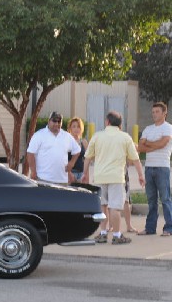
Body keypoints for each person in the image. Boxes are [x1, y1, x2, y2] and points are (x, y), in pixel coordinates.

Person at [82, 111, 145, 244]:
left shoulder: (97, 136)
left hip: (100, 177)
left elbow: (87, 157)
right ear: (120, 124)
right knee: (115, 207)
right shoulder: (125, 137)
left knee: (103, 206)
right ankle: (116, 235)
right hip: (117, 177)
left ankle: (103, 233)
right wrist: (140, 175)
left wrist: (84, 174)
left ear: (107, 122)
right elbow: (135, 159)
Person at [136, 102, 172, 236]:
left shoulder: (168, 128)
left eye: (157, 112)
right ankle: (150, 228)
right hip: (149, 167)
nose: (154, 114)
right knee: (151, 199)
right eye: (153, 112)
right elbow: (140, 147)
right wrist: (155, 145)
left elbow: (163, 143)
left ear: (164, 113)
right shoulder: (148, 129)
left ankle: (169, 228)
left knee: (165, 199)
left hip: (162, 167)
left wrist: (149, 144)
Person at [27, 111, 81, 185]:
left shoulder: (66, 136)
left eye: (59, 121)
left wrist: (72, 163)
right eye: (54, 121)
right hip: (43, 179)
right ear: (49, 121)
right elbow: (30, 153)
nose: (57, 124)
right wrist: (33, 172)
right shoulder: (39, 135)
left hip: (62, 181)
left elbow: (77, 150)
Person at [67, 117, 89, 183]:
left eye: (78, 127)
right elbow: (63, 160)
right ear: (70, 128)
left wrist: (86, 176)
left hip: (82, 174)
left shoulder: (84, 142)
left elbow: (87, 160)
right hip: (70, 174)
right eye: (74, 126)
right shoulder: (67, 142)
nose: (76, 129)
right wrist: (69, 174)